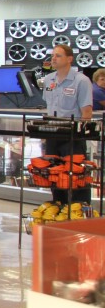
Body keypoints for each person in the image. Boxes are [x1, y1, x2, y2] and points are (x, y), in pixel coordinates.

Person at [41, 44, 94, 204]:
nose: (53, 58)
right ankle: (58, 206)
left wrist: (81, 134)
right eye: (52, 56)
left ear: (69, 59)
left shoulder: (81, 81)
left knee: (76, 175)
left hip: (72, 136)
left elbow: (87, 112)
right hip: (52, 134)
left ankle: (80, 209)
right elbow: (48, 106)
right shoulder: (49, 79)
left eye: (58, 55)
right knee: (54, 174)